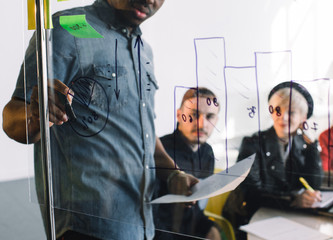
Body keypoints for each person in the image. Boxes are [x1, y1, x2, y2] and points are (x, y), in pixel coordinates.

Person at [2, 0, 198, 239]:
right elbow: (13, 117)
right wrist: (36, 115)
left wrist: (173, 174)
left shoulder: (143, 49)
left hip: (140, 227)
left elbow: (143, 133)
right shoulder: (67, 27)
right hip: (86, 230)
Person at [222, 81, 323, 239]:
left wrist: (312, 147)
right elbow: (253, 193)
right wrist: (293, 199)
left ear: (303, 118)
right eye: (278, 110)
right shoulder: (252, 143)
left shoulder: (301, 143)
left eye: (291, 112)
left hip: (286, 218)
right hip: (251, 217)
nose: (283, 117)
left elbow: (314, 184)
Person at [153, 87, 221, 240]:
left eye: (210, 116)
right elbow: (152, 215)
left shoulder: (208, 153)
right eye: (194, 115)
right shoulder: (159, 153)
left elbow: (197, 207)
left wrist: (208, 227)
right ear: (179, 115)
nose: (202, 124)